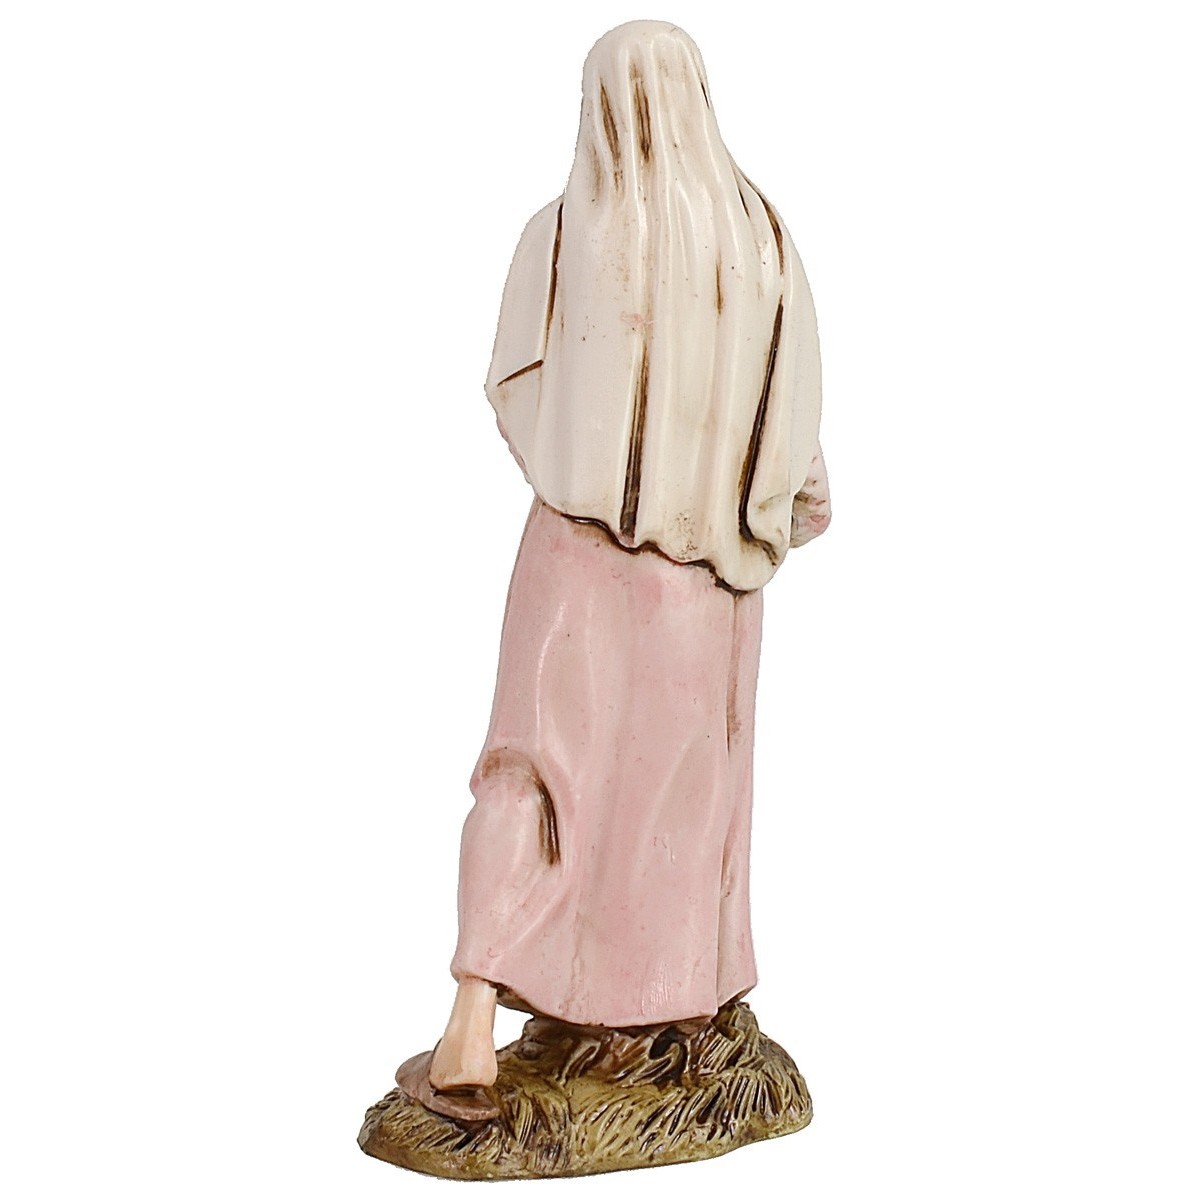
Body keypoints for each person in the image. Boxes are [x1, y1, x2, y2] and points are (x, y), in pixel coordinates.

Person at [411, 20, 830, 1107]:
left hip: (576, 559)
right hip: (713, 587)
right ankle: (672, 1011)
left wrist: (586, 471)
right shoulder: (765, 238)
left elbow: (514, 385)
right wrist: (749, 508)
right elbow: (796, 423)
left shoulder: (564, 233)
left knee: (534, 772)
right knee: (681, 800)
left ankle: (475, 1012)